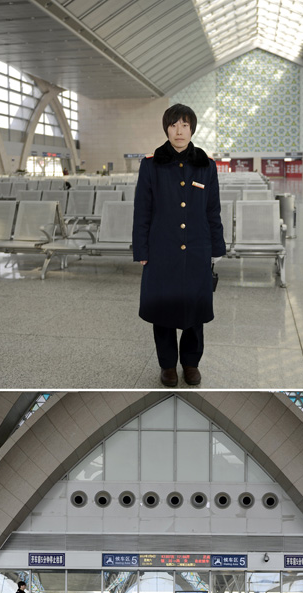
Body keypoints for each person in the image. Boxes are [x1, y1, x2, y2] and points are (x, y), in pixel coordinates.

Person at [132, 103, 226, 387]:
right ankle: (168, 366)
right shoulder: (151, 165)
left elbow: (213, 209)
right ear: (166, 129)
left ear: (192, 129)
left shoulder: (206, 165)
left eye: (185, 125)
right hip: (161, 250)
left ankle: (191, 363)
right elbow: (142, 210)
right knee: (163, 310)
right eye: (174, 125)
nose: (179, 131)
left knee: (194, 310)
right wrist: (142, 251)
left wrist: (216, 248)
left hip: (197, 249)